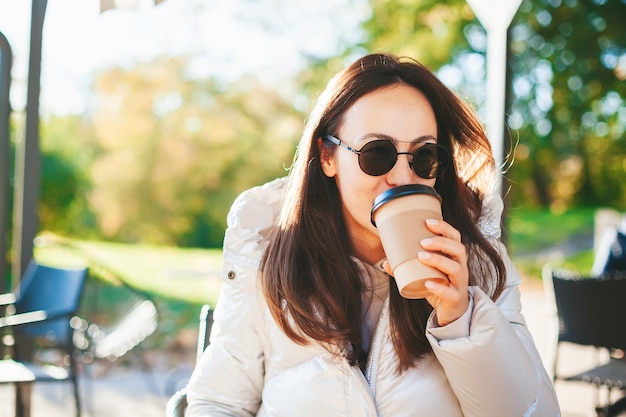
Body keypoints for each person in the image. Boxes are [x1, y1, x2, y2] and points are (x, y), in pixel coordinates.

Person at [186, 52, 560, 416]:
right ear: (328, 157)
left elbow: (534, 412)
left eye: (423, 156)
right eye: (376, 153)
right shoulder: (265, 254)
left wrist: (461, 318)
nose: (401, 176)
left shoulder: (478, 259)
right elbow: (219, 403)